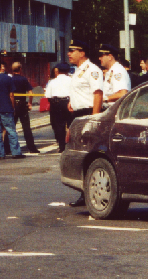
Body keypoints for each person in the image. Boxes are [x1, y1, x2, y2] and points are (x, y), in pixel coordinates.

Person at [66, 41, 104, 206]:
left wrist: (94, 119)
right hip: (78, 114)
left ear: (82, 53)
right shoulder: (78, 71)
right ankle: (83, 193)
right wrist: (71, 102)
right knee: (79, 155)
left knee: (88, 154)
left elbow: (97, 94)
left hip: (88, 114)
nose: (69, 53)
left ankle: (88, 194)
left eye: (72, 50)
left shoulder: (92, 70)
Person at [9, 62, 38, 154]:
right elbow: (30, 93)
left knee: (10, 127)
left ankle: (8, 148)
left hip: (12, 106)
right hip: (22, 105)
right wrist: (30, 103)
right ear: (20, 69)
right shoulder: (24, 79)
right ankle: (31, 147)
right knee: (26, 127)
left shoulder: (9, 80)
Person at [44, 63, 72, 152]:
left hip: (56, 103)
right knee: (71, 124)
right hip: (69, 102)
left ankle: (62, 146)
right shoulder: (72, 80)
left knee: (59, 126)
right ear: (67, 71)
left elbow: (48, 95)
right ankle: (72, 144)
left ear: (58, 71)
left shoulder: (52, 82)